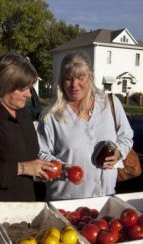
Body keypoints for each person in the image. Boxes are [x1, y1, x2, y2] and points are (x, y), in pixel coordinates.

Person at [0, 52, 55, 216]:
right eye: (23, 88)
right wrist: (22, 168)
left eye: (30, 87)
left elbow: (28, 160)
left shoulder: (23, 116)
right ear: (4, 85)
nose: (29, 94)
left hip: (25, 211)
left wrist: (48, 169)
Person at [38, 50, 134, 201]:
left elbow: (126, 136)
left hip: (106, 197)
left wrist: (118, 152)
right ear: (61, 81)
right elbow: (41, 153)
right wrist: (63, 168)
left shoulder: (110, 104)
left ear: (90, 76)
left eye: (80, 77)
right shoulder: (51, 116)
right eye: (68, 79)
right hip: (67, 200)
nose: (74, 85)